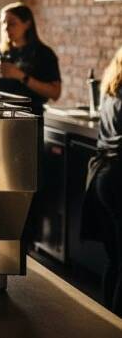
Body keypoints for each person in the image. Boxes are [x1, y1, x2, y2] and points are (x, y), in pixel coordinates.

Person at [82, 46, 122, 316]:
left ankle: (108, 319)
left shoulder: (113, 88)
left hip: (103, 176)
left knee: (115, 259)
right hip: (118, 178)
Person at [0, 2, 61, 115]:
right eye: (3, 23)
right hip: (0, 114)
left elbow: (55, 93)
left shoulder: (44, 53)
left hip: (30, 117)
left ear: (27, 24)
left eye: (12, 23)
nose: (6, 28)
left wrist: (21, 76)